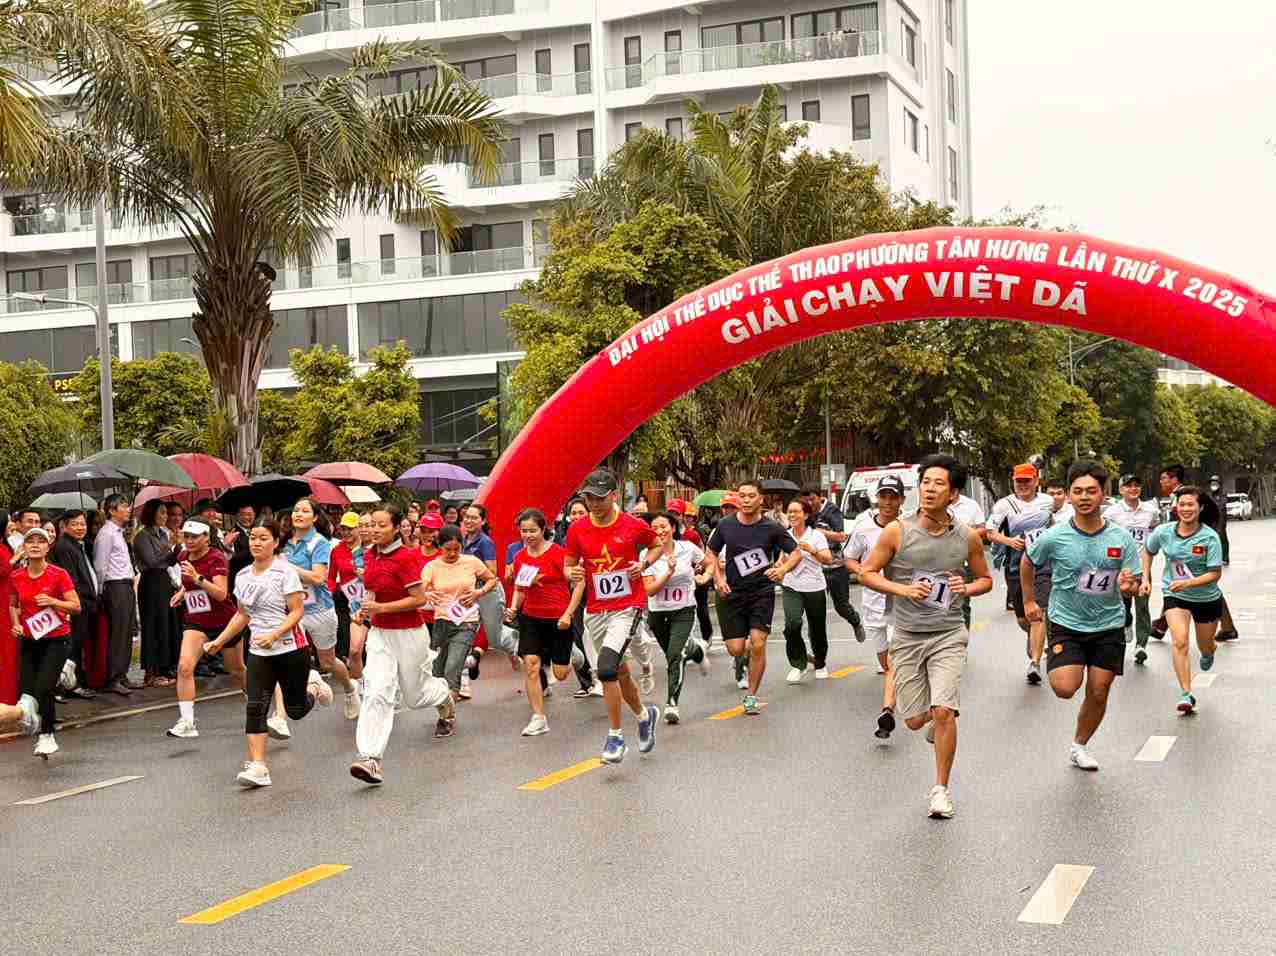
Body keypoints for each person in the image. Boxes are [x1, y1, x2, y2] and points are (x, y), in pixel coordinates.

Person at [857, 455, 992, 820]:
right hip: (908, 635)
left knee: (945, 710)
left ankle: (940, 790)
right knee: (917, 720)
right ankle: (931, 721)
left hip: (948, 632)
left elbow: (985, 580)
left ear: (953, 494)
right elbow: (866, 573)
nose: (930, 489)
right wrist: (901, 591)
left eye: (938, 484)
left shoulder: (966, 536)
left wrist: (969, 587)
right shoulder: (897, 531)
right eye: (926, 482)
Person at [1023, 461, 1140, 771]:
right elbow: (1028, 560)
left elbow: (1132, 581)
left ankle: (1079, 745)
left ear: (1104, 494)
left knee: (1099, 690)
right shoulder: (1055, 536)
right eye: (1078, 491)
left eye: (1092, 491)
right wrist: (1029, 600)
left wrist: (1130, 586)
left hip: (1109, 624)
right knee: (1064, 688)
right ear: (1070, 497)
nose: (1085, 497)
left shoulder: (1122, 538)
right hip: (1066, 622)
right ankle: (1059, 659)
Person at [201, 520, 331, 788]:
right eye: (253, 538)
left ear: (274, 543)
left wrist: (275, 634)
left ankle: (314, 687)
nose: (256, 543)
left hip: (291, 649)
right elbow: (242, 614)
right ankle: (259, 766)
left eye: (263, 538)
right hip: (259, 651)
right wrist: (219, 641)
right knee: (256, 706)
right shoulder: (243, 575)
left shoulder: (285, 572)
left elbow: (297, 611)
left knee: (295, 710)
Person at [349, 505, 456, 785]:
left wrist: (380, 607)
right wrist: (364, 611)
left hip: (409, 634)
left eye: (382, 525)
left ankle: (443, 694)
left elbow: (419, 600)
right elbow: (371, 589)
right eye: (372, 524)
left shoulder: (406, 557)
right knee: (376, 691)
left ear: (397, 527)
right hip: (381, 635)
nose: (374, 529)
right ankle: (370, 758)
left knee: (414, 696)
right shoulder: (369, 554)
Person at [564, 468, 662, 763]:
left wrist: (642, 565)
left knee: (605, 669)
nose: (594, 502)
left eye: (599, 497)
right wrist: (573, 572)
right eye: (589, 497)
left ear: (613, 496)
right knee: (617, 671)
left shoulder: (632, 525)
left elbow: (655, 545)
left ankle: (616, 737)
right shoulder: (577, 528)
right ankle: (645, 716)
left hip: (628, 605)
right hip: (596, 610)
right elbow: (568, 564)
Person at [705, 479, 803, 716]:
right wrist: (718, 579)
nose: (746, 500)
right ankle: (744, 653)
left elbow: (796, 553)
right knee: (736, 649)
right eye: (742, 495)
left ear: (761, 499)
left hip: (761, 592)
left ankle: (751, 695)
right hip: (733, 593)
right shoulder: (726, 525)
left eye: (751, 496)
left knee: (759, 643)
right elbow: (711, 553)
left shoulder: (772, 528)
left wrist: (781, 570)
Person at [1142, 486, 1224, 715]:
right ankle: (1186, 693)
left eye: (1191, 504)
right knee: (1179, 641)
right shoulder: (1164, 531)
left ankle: (1209, 651)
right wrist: (1145, 577)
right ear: (1175, 507)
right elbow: (1147, 551)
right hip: (1175, 595)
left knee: (1204, 644)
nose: (1186, 509)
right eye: (1182, 504)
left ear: (1200, 508)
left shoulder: (1209, 537)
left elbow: (1215, 574)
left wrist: (1188, 583)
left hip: (1206, 598)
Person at [506, 509, 585, 736]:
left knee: (560, 674)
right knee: (531, 665)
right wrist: (513, 608)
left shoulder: (559, 554)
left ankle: (574, 656)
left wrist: (568, 614)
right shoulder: (520, 557)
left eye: (533, 530)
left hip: (559, 619)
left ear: (543, 530)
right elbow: (521, 588)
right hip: (531, 617)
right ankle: (538, 717)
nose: (528, 535)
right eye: (524, 531)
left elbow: (578, 584)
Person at [283, 497, 359, 724]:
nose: (298, 514)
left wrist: (288, 568)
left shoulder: (320, 543)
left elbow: (318, 578)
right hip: (292, 610)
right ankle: (310, 684)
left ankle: (349, 688)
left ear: (315, 517)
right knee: (289, 656)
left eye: (305, 511)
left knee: (328, 661)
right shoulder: (283, 542)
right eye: (296, 510)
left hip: (320, 610)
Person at [7, 527, 81, 757]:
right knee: (28, 690)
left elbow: (76, 606)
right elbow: (13, 604)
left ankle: (47, 735)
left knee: (44, 688)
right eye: (30, 541)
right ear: (24, 548)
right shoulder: (16, 576)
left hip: (57, 638)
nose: (35, 545)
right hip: (30, 639)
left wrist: (52, 601)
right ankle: (62, 673)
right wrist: (16, 624)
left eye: (41, 541)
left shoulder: (58, 574)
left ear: (48, 547)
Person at [166, 520, 241, 738]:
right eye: (186, 536)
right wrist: (182, 592)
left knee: (237, 670)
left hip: (224, 623)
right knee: (185, 666)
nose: (189, 541)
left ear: (206, 537)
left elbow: (221, 593)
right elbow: (187, 583)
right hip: (196, 621)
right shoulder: (182, 557)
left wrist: (198, 579)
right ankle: (187, 721)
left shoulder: (216, 558)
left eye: (194, 537)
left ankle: (255, 701)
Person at [846, 475, 905, 737]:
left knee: (894, 660)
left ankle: (887, 709)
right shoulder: (863, 528)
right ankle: (897, 687)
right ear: (876, 498)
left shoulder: (910, 526)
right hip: (873, 602)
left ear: (902, 499)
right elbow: (849, 558)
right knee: (884, 659)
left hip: (903, 603)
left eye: (893, 497)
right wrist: (864, 572)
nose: (888, 502)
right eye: (884, 496)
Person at [422, 525, 497, 727]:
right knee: (437, 672)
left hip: (467, 621)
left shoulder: (471, 562)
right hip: (442, 622)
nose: (453, 553)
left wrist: (478, 593)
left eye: (457, 549)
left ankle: (446, 719)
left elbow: (492, 579)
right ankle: (446, 708)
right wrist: (428, 594)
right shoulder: (432, 567)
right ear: (440, 547)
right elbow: (421, 589)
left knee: (452, 668)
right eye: (448, 549)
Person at [987, 464, 1054, 684]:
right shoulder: (1004, 505)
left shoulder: (1048, 502)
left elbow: (1056, 523)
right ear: (1013, 482)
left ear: (1036, 481)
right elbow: (990, 533)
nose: (1023, 485)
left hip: (1044, 564)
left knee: (1039, 612)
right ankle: (1032, 635)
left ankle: (1034, 663)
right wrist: (1009, 541)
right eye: (1019, 481)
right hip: (1016, 566)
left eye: (1027, 480)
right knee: (1023, 619)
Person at [640, 511, 707, 724]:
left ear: (673, 528)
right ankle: (696, 650)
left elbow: (708, 562)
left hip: (684, 610)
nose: (660, 531)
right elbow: (649, 590)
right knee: (672, 651)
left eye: (664, 526)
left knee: (674, 656)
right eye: (655, 528)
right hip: (657, 613)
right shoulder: (646, 555)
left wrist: (704, 576)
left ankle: (672, 703)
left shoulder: (687, 548)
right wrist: (667, 574)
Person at [1102, 474, 1159, 663]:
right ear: (1121, 490)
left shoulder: (1150, 511)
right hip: (1120, 567)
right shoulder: (1112, 513)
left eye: (1136, 485)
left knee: (1142, 605)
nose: (1133, 489)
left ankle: (1141, 645)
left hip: (1142, 565)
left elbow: (1154, 529)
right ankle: (1126, 622)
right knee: (1122, 605)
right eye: (1128, 486)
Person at [781, 496, 833, 683]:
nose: (792, 515)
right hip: (791, 586)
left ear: (806, 515)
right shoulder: (785, 535)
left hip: (814, 586)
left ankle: (820, 662)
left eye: (796, 511)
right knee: (792, 624)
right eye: (790, 511)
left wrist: (812, 550)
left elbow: (828, 559)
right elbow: (781, 559)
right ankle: (798, 663)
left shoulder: (817, 535)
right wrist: (779, 566)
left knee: (817, 628)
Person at [460, 503, 518, 664]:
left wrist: (476, 579)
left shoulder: (485, 542)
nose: (469, 520)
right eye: (466, 517)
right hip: (470, 592)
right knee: (459, 625)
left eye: (474, 517)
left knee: (495, 638)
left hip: (488, 592)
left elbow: (492, 573)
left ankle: (520, 644)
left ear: (483, 521)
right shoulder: (463, 540)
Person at [49, 510, 98, 699]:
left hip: (85, 602)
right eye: (75, 524)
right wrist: (80, 601)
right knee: (71, 646)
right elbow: (71, 579)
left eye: (82, 524)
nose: (80, 528)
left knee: (77, 646)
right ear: (65, 526)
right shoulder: (64, 546)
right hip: (77, 603)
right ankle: (62, 687)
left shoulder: (80, 545)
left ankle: (72, 684)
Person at [94, 494, 138, 696]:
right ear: (112, 510)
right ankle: (112, 677)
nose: (128, 509)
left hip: (126, 584)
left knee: (127, 630)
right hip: (114, 586)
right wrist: (101, 591)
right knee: (118, 632)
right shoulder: (106, 534)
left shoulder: (119, 532)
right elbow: (101, 566)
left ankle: (122, 674)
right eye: (124, 506)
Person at [809, 487, 867, 642]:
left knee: (841, 606)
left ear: (820, 497)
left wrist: (820, 532)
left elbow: (841, 536)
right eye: (806, 500)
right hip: (816, 568)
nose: (809, 503)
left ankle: (855, 621)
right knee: (815, 611)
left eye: (812, 499)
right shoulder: (807, 513)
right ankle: (817, 650)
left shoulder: (831, 511)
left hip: (836, 567)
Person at [133, 500, 178, 687]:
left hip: (164, 580)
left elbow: (171, 561)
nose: (165, 516)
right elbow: (151, 561)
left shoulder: (163, 534)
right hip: (150, 581)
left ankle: (163, 667)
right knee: (151, 626)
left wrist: (176, 548)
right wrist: (169, 549)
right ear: (152, 514)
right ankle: (151, 671)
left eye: (166, 513)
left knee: (164, 625)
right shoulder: (142, 536)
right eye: (161, 513)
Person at [1207, 475, 1229, 566]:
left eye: (1215, 483)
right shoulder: (1208, 496)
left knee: (1222, 538)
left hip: (1220, 520)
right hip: (1210, 521)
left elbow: (1221, 507)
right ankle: (1212, 558)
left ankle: (1225, 558)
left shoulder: (1223, 495)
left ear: (1219, 484)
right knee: (1209, 540)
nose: (1213, 485)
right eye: (1212, 483)